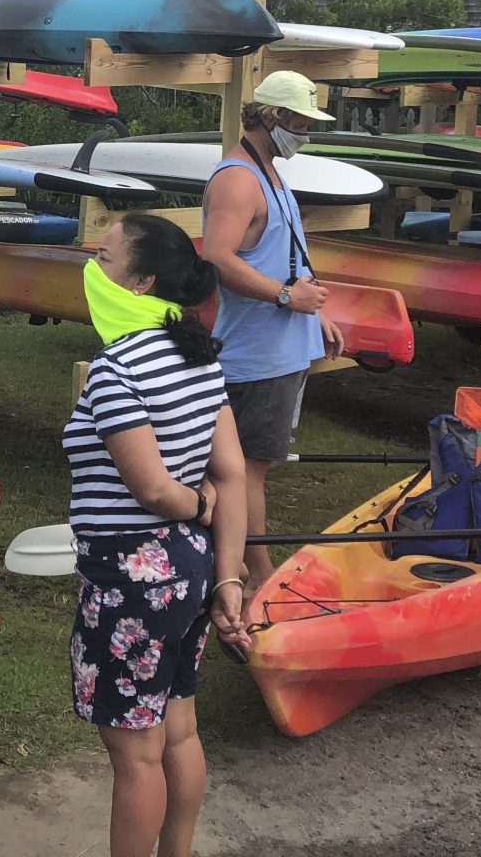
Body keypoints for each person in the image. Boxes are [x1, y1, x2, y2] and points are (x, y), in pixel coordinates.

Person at [65, 211, 251, 857]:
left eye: (106, 255)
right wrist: (228, 576)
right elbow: (231, 469)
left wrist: (192, 502)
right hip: (190, 574)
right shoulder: (197, 356)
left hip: (133, 581)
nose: (93, 261)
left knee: (135, 754)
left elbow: (151, 488)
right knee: (177, 731)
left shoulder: (117, 369)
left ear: (139, 283)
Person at [199, 70, 341, 586]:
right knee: (244, 470)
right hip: (255, 354)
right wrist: (286, 296)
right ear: (274, 117)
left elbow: (280, 253)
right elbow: (217, 256)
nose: (306, 131)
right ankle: (252, 572)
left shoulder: (270, 172)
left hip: (282, 349)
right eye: (302, 121)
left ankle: (225, 561)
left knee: (246, 467)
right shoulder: (239, 178)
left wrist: (314, 311)